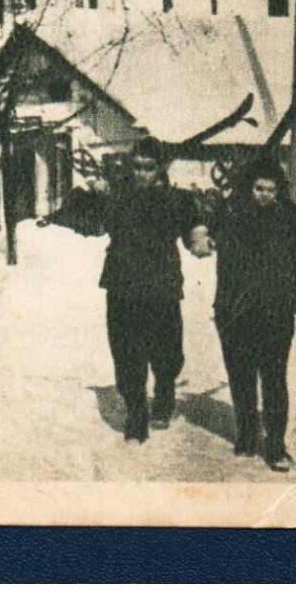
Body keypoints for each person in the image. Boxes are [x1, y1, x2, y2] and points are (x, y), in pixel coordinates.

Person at [197, 156, 296, 471]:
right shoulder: (230, 214)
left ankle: (275, 446)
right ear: (249, 188)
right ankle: (246, 434)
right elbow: (203, 231)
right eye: (259, 188)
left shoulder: (291, 217)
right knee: (241, 376)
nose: (264, 195)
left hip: (275, 310)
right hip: (235, 311)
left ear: (279, 190)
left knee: (274, 379)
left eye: (271, 189)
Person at [97, 137, 207, 443]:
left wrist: (198, 239)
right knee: (125, 351)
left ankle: (164, 393)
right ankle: (135, 412)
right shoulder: (119, 195)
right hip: (123, 285)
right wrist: (87, 195)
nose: (141, 173)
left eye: (148, 168)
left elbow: (193, 224)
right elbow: (93, 219)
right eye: (137, 167)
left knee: (166, 351)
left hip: (161, 288)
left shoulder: (177, 199)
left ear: (160, 169)